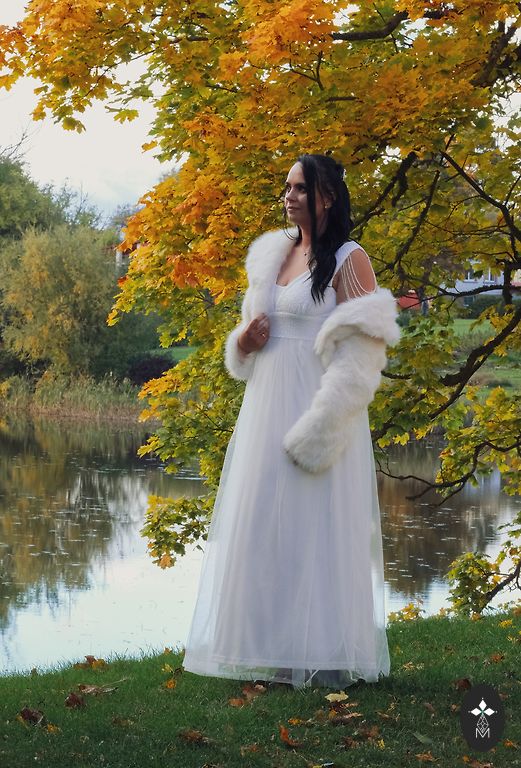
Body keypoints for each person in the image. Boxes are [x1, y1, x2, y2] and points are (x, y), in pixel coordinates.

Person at [182, 154, 401, 690]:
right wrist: (243, 342)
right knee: (265, 527)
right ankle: (277, 650)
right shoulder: (272, 253)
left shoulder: (349, 259)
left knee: (315, 528)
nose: (289, 196)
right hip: (265, 406)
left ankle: (324, 654)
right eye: (286, 187)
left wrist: (322, 428)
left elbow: (364, 352)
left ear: (327, 196)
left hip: (315, 411)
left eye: (300, 188)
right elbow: (249, 337)